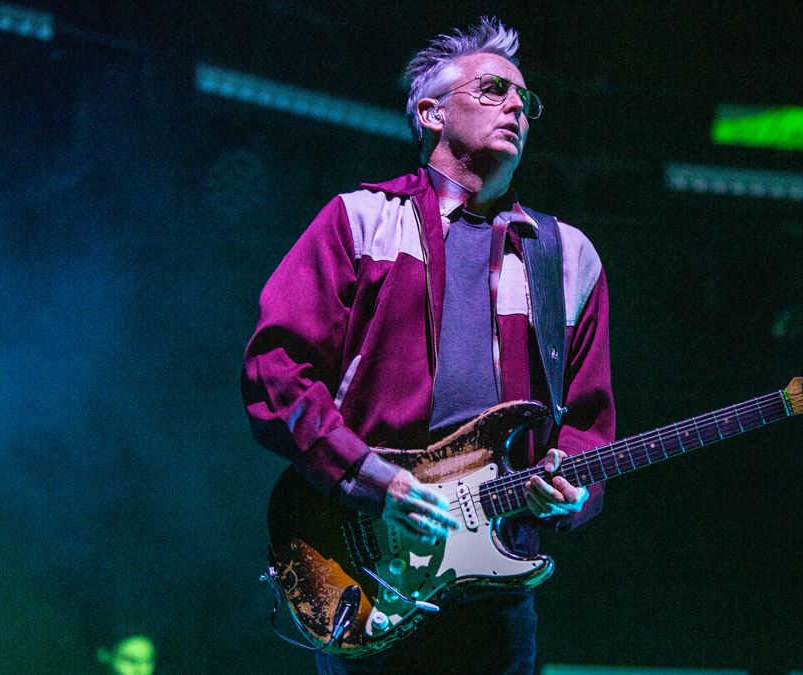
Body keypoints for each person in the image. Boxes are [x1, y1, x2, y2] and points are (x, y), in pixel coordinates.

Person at [242, 16, 615, 674]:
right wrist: (373, 479)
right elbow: (276, 373)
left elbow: (588, 426)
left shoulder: (568, 258)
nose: (516, 108)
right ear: (430, 112)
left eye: (526, 101)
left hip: (495, 590)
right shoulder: (360, 220)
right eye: (495, 88)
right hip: (365, 562)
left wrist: (575, 489)